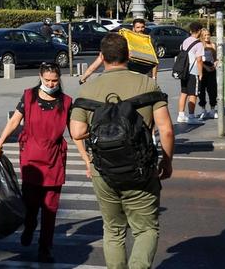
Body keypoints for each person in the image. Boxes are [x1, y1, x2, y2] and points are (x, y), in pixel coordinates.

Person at [70, 33, 174, 269]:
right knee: (146, 229)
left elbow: (76, 131)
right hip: (141, 169)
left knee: (113, 230)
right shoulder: (147, 84)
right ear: (129, 55)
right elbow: (166, 130)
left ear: (102, 57)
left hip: (103, 170)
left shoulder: (88, 89)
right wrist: (166, 162)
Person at [0, 63, 87, 264]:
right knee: (30, 204)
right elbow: (14, 122)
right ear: (40, 77)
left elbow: (75, 134)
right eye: (47, 80)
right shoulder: (28, 97)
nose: (51, 84)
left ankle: (45, 248)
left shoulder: (66, 102)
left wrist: (86, 159)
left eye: (54, 80)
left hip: (54, 159)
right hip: (31, 159)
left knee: (50, 208)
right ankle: (29, 225)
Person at [80, 18, 158, 83]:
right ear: (133, 28)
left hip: (145, 76)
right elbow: (99, 61)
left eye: (142, 27)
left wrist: (154, 77)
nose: (140, 29)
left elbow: (154, 61)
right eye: (138, 27)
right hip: (130, 76)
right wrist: (84, 77)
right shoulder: (126, 41)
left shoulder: (149, 42)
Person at [177, 22, 204, 125]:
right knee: (193, 94)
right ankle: (191, 117)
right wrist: (200, 73)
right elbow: (199, 60)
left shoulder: (186, 40)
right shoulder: (199, 44)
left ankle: (181, 115)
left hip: (184, 71)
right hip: (193, 71)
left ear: (191, 30)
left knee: (184, 92)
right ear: (199, 31)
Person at [197, 27, 218, 120]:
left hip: (211, 69)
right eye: (205, 35)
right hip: (202, 68)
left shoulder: (213, 45)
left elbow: (215, 58)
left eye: (208, 34)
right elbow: (198, 59)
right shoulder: (199, 45)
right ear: (201, 36)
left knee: (212, 90)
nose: (207, 36)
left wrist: (215, 65)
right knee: (201, 90)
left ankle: (212, 110)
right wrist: (206, 67)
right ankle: (203, 110)